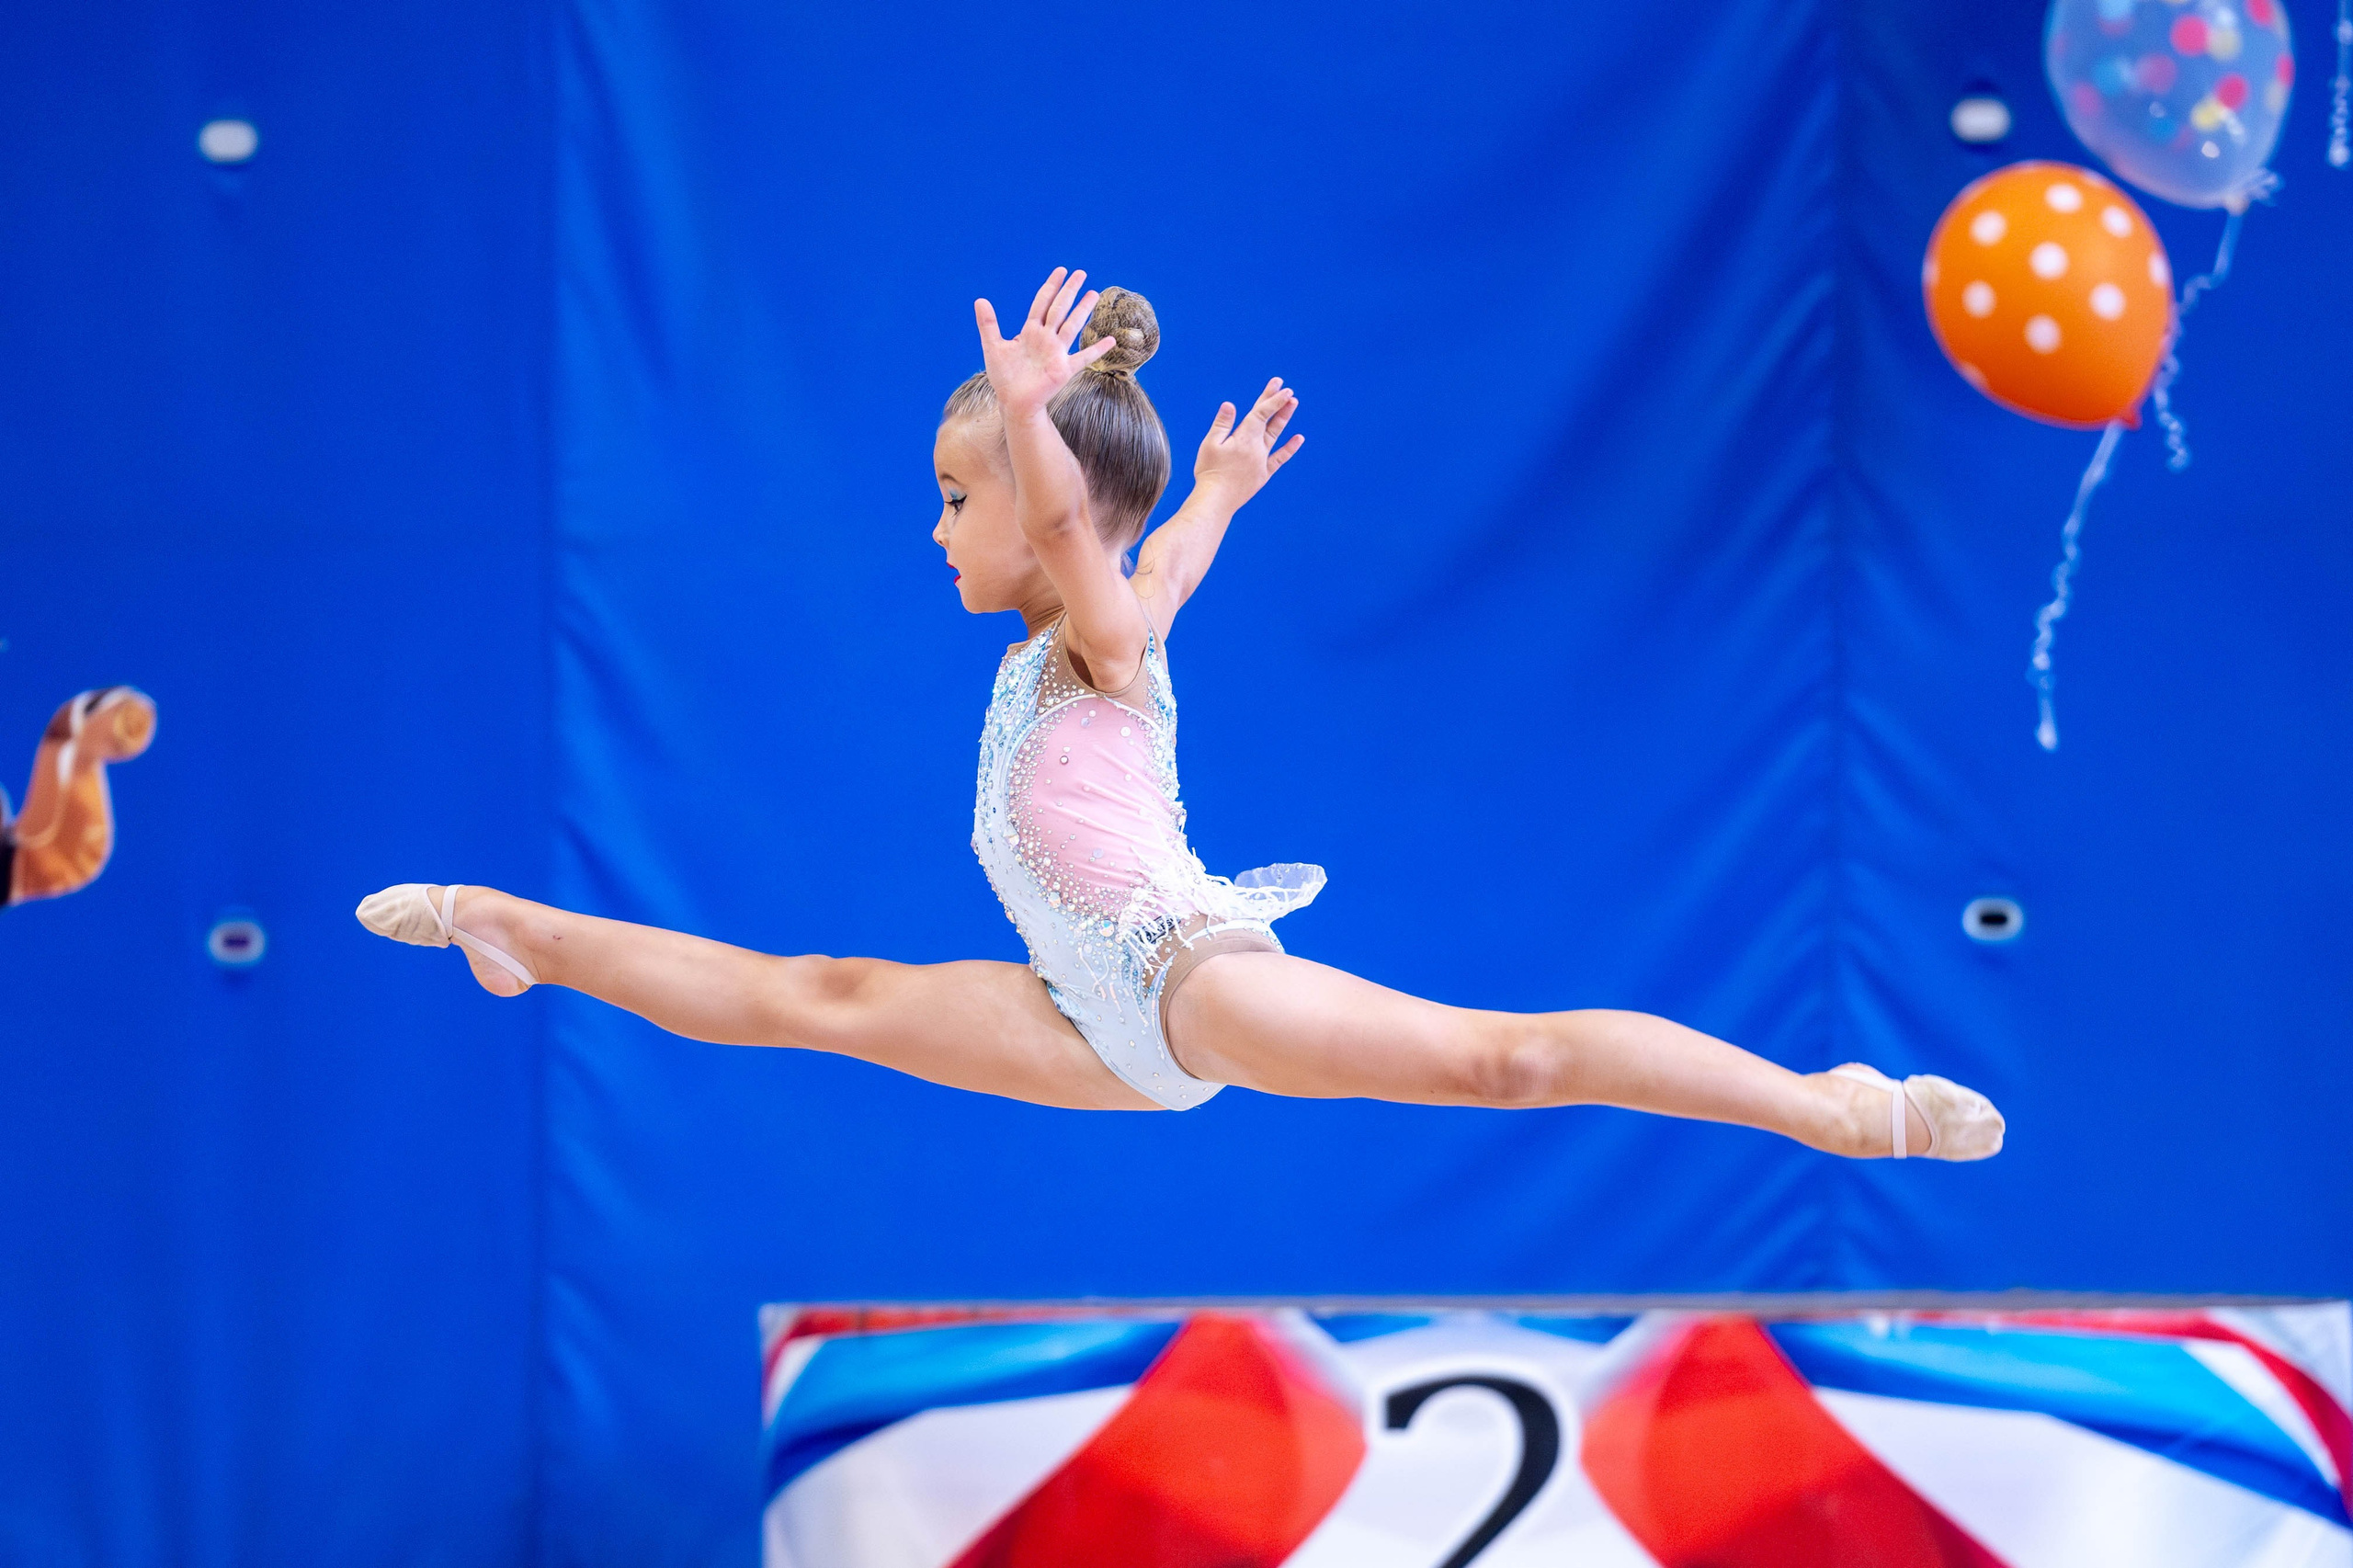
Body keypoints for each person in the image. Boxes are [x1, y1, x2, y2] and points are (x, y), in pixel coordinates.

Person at [360, 269, 2001, 1161]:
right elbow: (1144, 559)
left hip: (1178, 977)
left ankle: (1829, 1106)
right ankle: (520, 926)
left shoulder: (1095, 630)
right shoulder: (1092, 637)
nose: (937, 529)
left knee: (1503, 1064)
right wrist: (1213, 491)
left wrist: (1034, 421)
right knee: (825, 994)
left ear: (1045, 508)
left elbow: (1094, 549)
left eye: (956, 496)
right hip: (1094, 1025)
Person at [5, 687, 156, 906]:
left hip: (23, 866)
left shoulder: (66, 749)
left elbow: (33, 829)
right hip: (32, 868)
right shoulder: (74, 754)